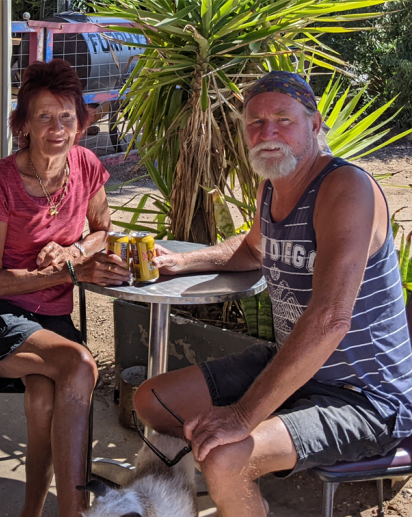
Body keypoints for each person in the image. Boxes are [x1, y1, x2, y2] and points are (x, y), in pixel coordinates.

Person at [134, 71, 412, 517]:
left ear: (315, 124)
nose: (268, 133)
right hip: (293, 365)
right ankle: (243, 495)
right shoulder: (272, 187)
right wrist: (183, 261)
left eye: (284, 119)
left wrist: (243, 418)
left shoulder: (345, 188)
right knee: (153, 401)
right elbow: (249, 249)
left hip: (363, 396)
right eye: (255, 123)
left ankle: (239, 483)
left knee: (224, 457)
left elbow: (331, 320)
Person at [0, 59, 130, 517]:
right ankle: (73, 513)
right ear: (24, 125)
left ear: (81, 121)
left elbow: (102, 230)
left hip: (50, 317)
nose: (57, 128)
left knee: (42, 396)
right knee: (78, 363)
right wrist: (72, 274)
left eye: (67, 117)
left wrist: (73, 251)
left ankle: (31, 513)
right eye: (44, 117)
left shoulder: (87, 166)